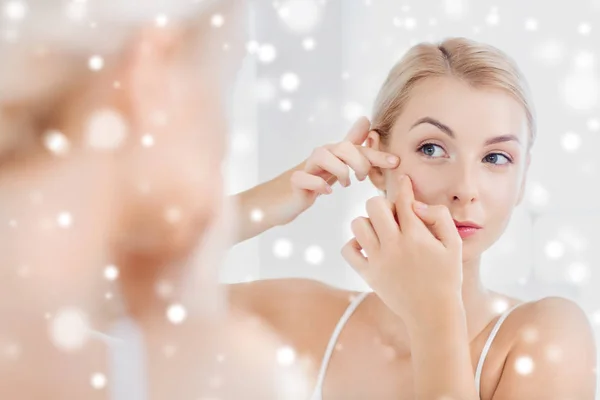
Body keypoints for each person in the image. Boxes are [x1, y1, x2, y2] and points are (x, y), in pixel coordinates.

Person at [229, 37, 597, 399]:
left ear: (522, 180)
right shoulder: (305, 318)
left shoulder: (549, 336)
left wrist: (433, 319)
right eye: (433, 148)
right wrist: (261, 204)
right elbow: (170, 304)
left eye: (496, 157)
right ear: (376, 163)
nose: (465, 188)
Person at [0, 0, 308, 399]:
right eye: (221, 82)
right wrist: (187, 326)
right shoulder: (218, 376)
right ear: (150, 76)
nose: (220, 138)